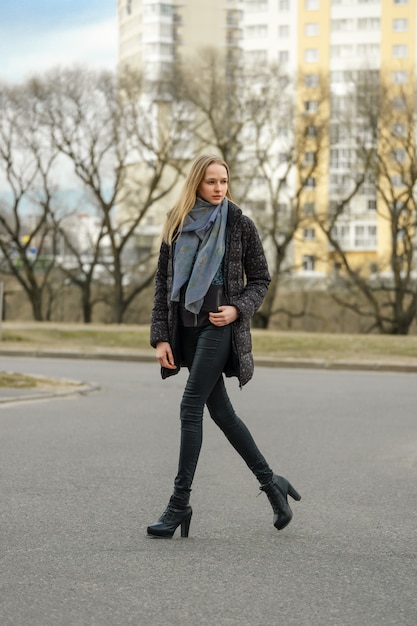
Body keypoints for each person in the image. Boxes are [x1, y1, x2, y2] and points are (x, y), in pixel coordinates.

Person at [148, 154, 300, 538]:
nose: (219, 188)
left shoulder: (239, 225)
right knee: (224, 416)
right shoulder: (176, 223)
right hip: (185, 328)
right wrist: (161, 337)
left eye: (224, 181)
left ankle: (179, 503)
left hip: (219, 328)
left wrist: (237, 309)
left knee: (189, 407)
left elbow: (261, 280)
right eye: (211, 182)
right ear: (196, 184)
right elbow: (163, 286)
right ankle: (272, 484)